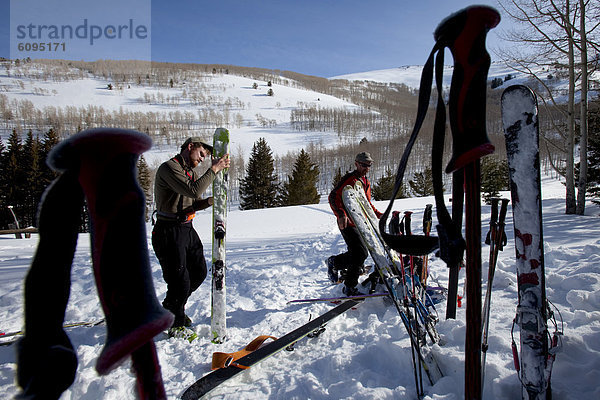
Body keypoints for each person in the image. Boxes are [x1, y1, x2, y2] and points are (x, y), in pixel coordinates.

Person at [152, 136, 230, 331]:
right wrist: (214, 170)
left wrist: (210, 202)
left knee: (199, 271)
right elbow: (193, 191)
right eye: (202, 154)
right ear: (190, 147)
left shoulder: (189, 172)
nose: (202, 159)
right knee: (179, 280)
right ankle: (175, 323)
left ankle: (171, 306)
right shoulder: (169, 168)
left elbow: (193, 202)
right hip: (168, 230)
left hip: (186, 228)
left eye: (205, 157)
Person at [327, 152, 382, 296]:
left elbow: (366, 204)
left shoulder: (364, 181)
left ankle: (338, 263)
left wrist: (379, 215)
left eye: (369, 165)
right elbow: (333, 197)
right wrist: (341, 214)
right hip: (348, 222)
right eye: (364, 165)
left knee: (360, 253)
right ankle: (349, 287)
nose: (367, 168)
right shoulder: (349, 180)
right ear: (356, 163)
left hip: (360, 223)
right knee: (360, 253)